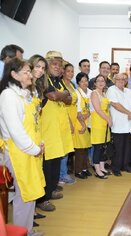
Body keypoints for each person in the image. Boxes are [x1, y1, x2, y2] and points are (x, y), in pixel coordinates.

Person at [0, 58, 45, 235]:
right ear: (14, 74)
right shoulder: (8, 96)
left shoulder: (24, 93)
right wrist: (34, 149)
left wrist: (39, 145)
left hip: (30, 149)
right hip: (19, 152)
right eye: (26, 72)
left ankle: (27, 230)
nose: (31, 75)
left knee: (31, 192)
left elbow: (33, 123)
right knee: (24, 194)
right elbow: (16, 130)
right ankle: (22, 231)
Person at [36, 51, 73, 212]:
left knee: (56, 160)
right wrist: (63, 95)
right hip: (46, 130)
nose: (58, 67)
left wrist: (62, 94)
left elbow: (69, 99)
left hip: (57, 130)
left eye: (60, 65)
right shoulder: (43, 80)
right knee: (46, 164)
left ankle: (51, 190)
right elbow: (52, 96)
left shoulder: (58, 81)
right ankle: (42, 198)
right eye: (54, 64)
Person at [28, 55, 48, 226]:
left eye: (43, 68)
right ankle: (27, 215)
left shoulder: (37, 87)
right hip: (26, 137)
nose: (40, 70)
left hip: (37, 134)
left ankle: (32, 212)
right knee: (28, 177)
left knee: (36, 175)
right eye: (38, 66)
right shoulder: (23, 88)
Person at [107, 73, 131, 176]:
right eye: (119, 79)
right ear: (114, 80)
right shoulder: (111, 90)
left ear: (126, 81)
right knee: (118, 148)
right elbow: (115, 105)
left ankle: (125, 165)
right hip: (118, 124)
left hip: (128, 125)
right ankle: (116, 168)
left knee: (127, 147)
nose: (121, 81)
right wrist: (129, 113)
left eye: (123, 79)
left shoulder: (129, 91)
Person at [90, 75, 112, 179]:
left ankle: (102, 167)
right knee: (98, 148)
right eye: (98, 81)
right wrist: (108, 119)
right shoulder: (94, 94)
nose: (100, 82)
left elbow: (107, 109)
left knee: (104, 147)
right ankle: (97, 170)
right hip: (98, 123)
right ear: (95, 83)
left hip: (105, 124)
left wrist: (110, 119)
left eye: (102, 81)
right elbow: (98, 110)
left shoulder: (103, 93)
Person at [59, 63, 77, 185]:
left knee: (69, 148)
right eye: (68, 71)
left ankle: (63, 173)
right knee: (63, 149)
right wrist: (69, 122)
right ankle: (62, 175)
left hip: (74, 118)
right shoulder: (61, 85)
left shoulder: (72, 84)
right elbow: (63, 107)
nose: (70, 73)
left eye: (72, 71)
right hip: (65, 119)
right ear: (63, 72)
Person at [73, 72, 92, 179]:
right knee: (80, 149)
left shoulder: (90, 92)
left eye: (86, 80)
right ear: (78, 83)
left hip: (87, 123)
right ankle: (78, 171)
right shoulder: (76, 94)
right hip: (79, 124)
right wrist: (83, 124)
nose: (84, 83)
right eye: (82, 81)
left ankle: (85, 168)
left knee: (85, 148)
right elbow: (78, 112)